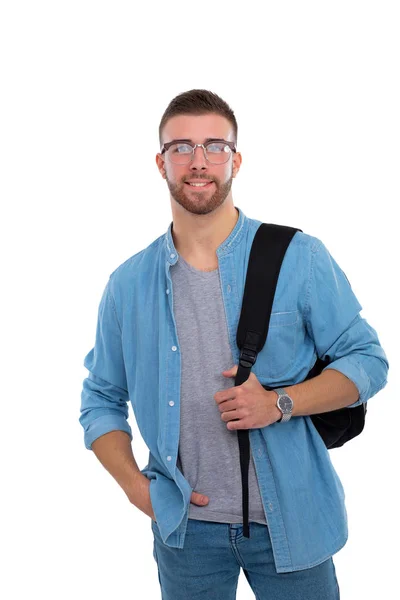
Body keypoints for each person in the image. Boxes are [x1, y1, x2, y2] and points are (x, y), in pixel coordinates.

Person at [79, 89, 389, 599]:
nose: (198, 162)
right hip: (185, 531)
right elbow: (101, 399)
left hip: (292, 518)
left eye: (214, 146)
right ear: (161, 163)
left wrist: (279, 403)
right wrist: (138, 490)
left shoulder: (298, 256)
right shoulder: (127, 284)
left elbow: (369, 360)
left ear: (235, 160)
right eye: (181, 147)